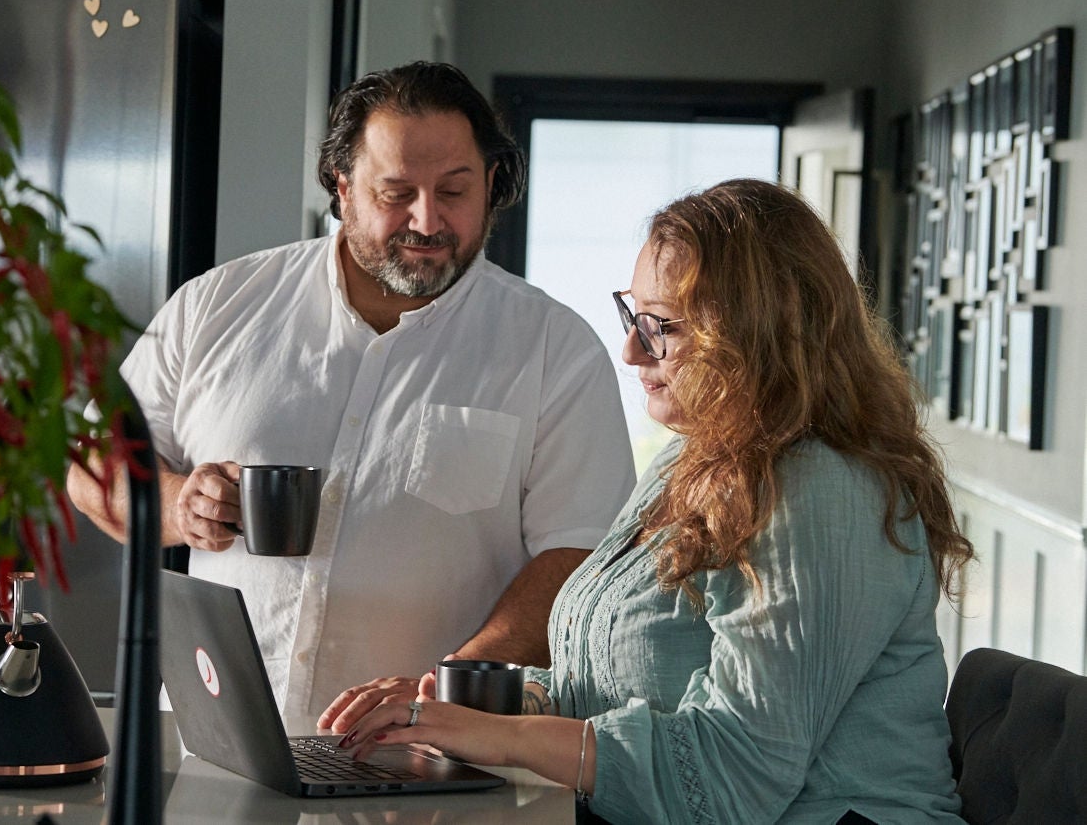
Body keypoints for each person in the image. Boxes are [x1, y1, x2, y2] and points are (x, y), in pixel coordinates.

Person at [324, 178, 972, 823]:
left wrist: (497, 737)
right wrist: (477, 702)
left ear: (758, 331)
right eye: (632, 315)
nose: (631, 349)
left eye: (660, 325)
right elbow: (609, 685)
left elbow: (731, 776)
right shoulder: (691, 460)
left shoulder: (819, 490)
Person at [66, 61, 635, 718]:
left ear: (490, 184)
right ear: (341, 187)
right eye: (397, 193)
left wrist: (442, 697)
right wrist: (176, 506)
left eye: (454, 190)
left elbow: (575, 558)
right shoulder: (217, 304)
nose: (428, 219)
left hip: (430, 764)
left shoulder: (552, 348)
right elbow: (90, 459)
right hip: (212, 742)